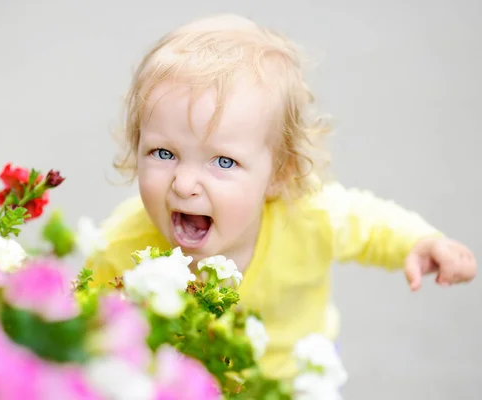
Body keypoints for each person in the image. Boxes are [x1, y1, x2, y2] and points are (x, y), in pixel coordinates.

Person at [84, 14, 477, 379]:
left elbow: (368, 223)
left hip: (296, 377)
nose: (184, 184)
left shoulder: (306, 216)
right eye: (164, 153)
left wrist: (420, 242)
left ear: (280, 172)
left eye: (223, 161)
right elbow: (83, 325)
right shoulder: (123, 247)